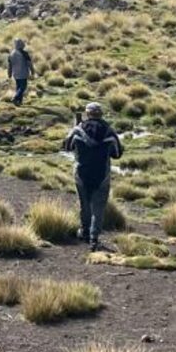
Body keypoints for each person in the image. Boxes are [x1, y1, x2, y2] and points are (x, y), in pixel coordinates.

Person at [62, 102, 123, 251]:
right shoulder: (109, 131)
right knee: (99, 207)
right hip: (102, 174)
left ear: (87, 114)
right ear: (101, 114)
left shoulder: (77, 129)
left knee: (84, 204)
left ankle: (84, 232)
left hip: (81, 173)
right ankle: (94, 238)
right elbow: (117, 153)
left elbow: (66, 147)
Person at [7, 38, 34, 105]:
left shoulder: (11, 53)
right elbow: (29, 63)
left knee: (18, 87)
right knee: (23, 87)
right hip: (23, 73)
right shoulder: (24, 53)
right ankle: (15, 98)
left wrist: (9, 73)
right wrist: (32, 71)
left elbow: (10, 65)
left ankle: (19, 102)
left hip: (15, 73)